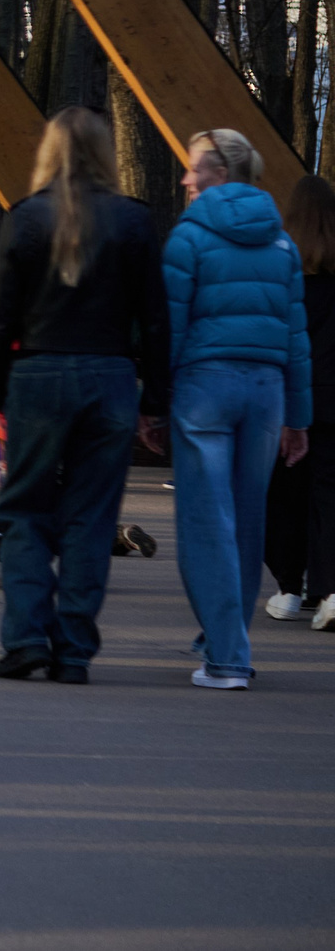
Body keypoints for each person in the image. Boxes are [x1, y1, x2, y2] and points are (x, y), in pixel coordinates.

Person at [0, 108, 171, 682]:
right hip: (110, 376)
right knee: (92, 516)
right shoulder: (134, 222)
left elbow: (2, 315)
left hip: (38, 374)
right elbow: (155, 320)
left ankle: (25, 639)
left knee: (25, 511)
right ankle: (74, 649)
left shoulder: (26, 218)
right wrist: (155, 400)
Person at [165, 128, 312, 689]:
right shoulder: (282, 243)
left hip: (205, 386)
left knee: (206, 520)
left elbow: (171, 327)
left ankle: (227, 658)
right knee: (248, 519)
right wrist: (298, 417)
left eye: (192, 168)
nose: (185, 178)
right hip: (267, 391)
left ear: (219, 174)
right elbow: (296, 338)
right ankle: (219, 632)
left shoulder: (189, 238)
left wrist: (154, 404)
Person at [263, 176, 335, 629]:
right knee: (329, 496)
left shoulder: (281, 270)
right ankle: (330, 590)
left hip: (291, 399)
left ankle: (290, 588)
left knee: (283, 495)